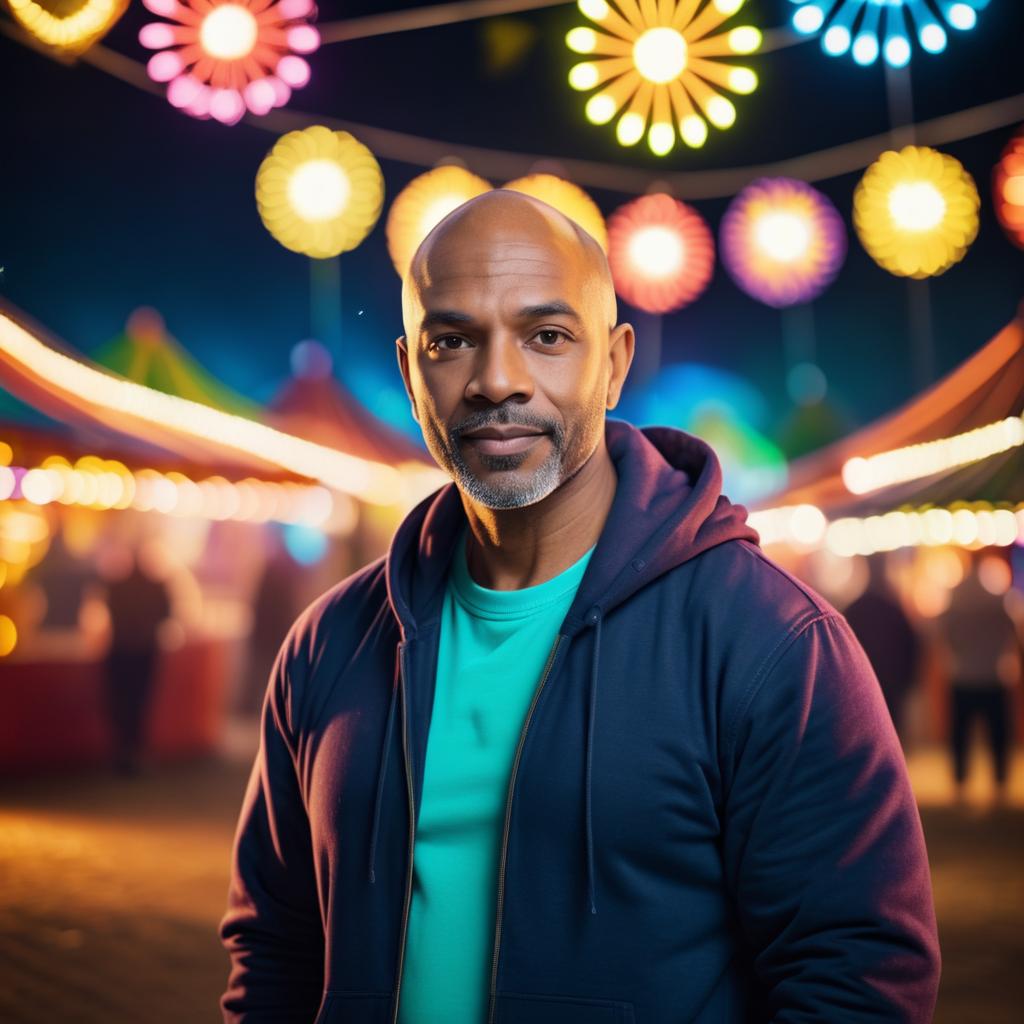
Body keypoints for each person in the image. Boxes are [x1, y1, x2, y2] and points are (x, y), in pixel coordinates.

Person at [219, 191, 940, 1023]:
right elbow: (273, 948)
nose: (497, 381)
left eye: (547, 337)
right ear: (412, 373)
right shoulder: (330, 646)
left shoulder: (770, 643)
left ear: (615, 363)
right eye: (451, 341)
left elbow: (859, 976)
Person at [937, 552, 1020, 803]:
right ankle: (1000, 784)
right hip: (993, 675)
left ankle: (960, 785)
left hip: (962, 675)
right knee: (998, 735)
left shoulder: (956, 599)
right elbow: (1013, 634)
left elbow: (943, 635)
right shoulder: (996, 599)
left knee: (961, 735)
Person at [101, 541, 171, 775]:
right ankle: (135, 752)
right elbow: (167, 614)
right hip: (145, 652)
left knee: (120, 702)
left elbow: (109, 610)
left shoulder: (116, 586)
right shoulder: (157, 585)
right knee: (140, 703)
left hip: (119, 651)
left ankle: (122, 752)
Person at [843, 554, 922, 743]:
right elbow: (910, 643)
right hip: (892, 679)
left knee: (870, 735)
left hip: (863, 682)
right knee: (893, 731)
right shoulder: (894, 608)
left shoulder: (855, 608)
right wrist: (909, 678)